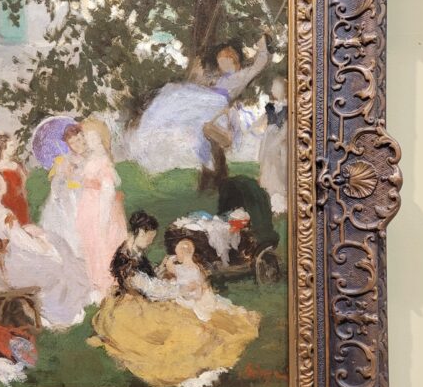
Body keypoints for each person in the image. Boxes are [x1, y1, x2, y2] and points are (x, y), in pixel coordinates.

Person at [90, 212, 261, 387]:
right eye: (149, 237)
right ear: (140, 232)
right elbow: (150, 289)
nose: (150, 242)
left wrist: (160, 270)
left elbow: (148, 279)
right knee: (181, 332)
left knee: (196, 319)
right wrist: (180, 289)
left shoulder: (134, 250)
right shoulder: (125, 260)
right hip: (134, 306)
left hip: (145, 297)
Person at [128, 35, 270, 178]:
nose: (222, 65)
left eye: (225, 61)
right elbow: (202, 88)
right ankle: (208, 165)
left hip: (215, 104)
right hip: (208, 102)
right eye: (220, 61)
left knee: (181, 100)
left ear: (234, 62)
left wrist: (263, 47)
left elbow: (257, 66)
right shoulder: (220, 79)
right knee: (176, 97)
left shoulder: (240, 77)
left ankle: (213, 162)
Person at [0, 171, 90, 330]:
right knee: (55, 264)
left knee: (51, 250)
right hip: (5, 270)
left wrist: (23, 230)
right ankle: (58, 315)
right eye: (2, 181)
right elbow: (22, 242)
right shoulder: (4, 214)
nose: (5, 183)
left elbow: (7, 235)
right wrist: (44, 245)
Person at [76, 118, 128, 302]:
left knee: (103, 245)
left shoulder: (103, 160)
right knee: (91, 244)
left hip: (100, 208)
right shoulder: (90, 158)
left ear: (100, 138)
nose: (88, 141)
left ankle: (107, 285)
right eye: (87, 137)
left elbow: (108, 190)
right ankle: (96, 284)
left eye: (92, 137)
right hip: (89, 207)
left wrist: (103, 218)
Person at [40, 123, 87, 258]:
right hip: (70, 201)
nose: (77, 145)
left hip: (88, 198)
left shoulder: (93, 157)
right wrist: (64, 176)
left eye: (78, 139)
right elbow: (55, 188)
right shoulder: (64, 161)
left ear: (83, 137)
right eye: (72, 143)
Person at [256, 76, 288, 214]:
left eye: (276, 87)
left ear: (284, 90)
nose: (273, 89)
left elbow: (286, 129)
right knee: (267, 166)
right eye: (273, 87)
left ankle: (280, 199)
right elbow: (261, 120)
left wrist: (278, 140)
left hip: (279, 143)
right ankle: (267, 195)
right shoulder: (270, 107)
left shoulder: (288, 108)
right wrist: (249, 128)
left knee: (279, 166)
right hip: (268, 139)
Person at [0, 132, 30, 225]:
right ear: (3, 148)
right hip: (4, 205)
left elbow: (25, 186)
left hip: (20, 204)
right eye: (11, 146)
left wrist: (26, 200)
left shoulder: (16, 166)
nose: (15, 148)